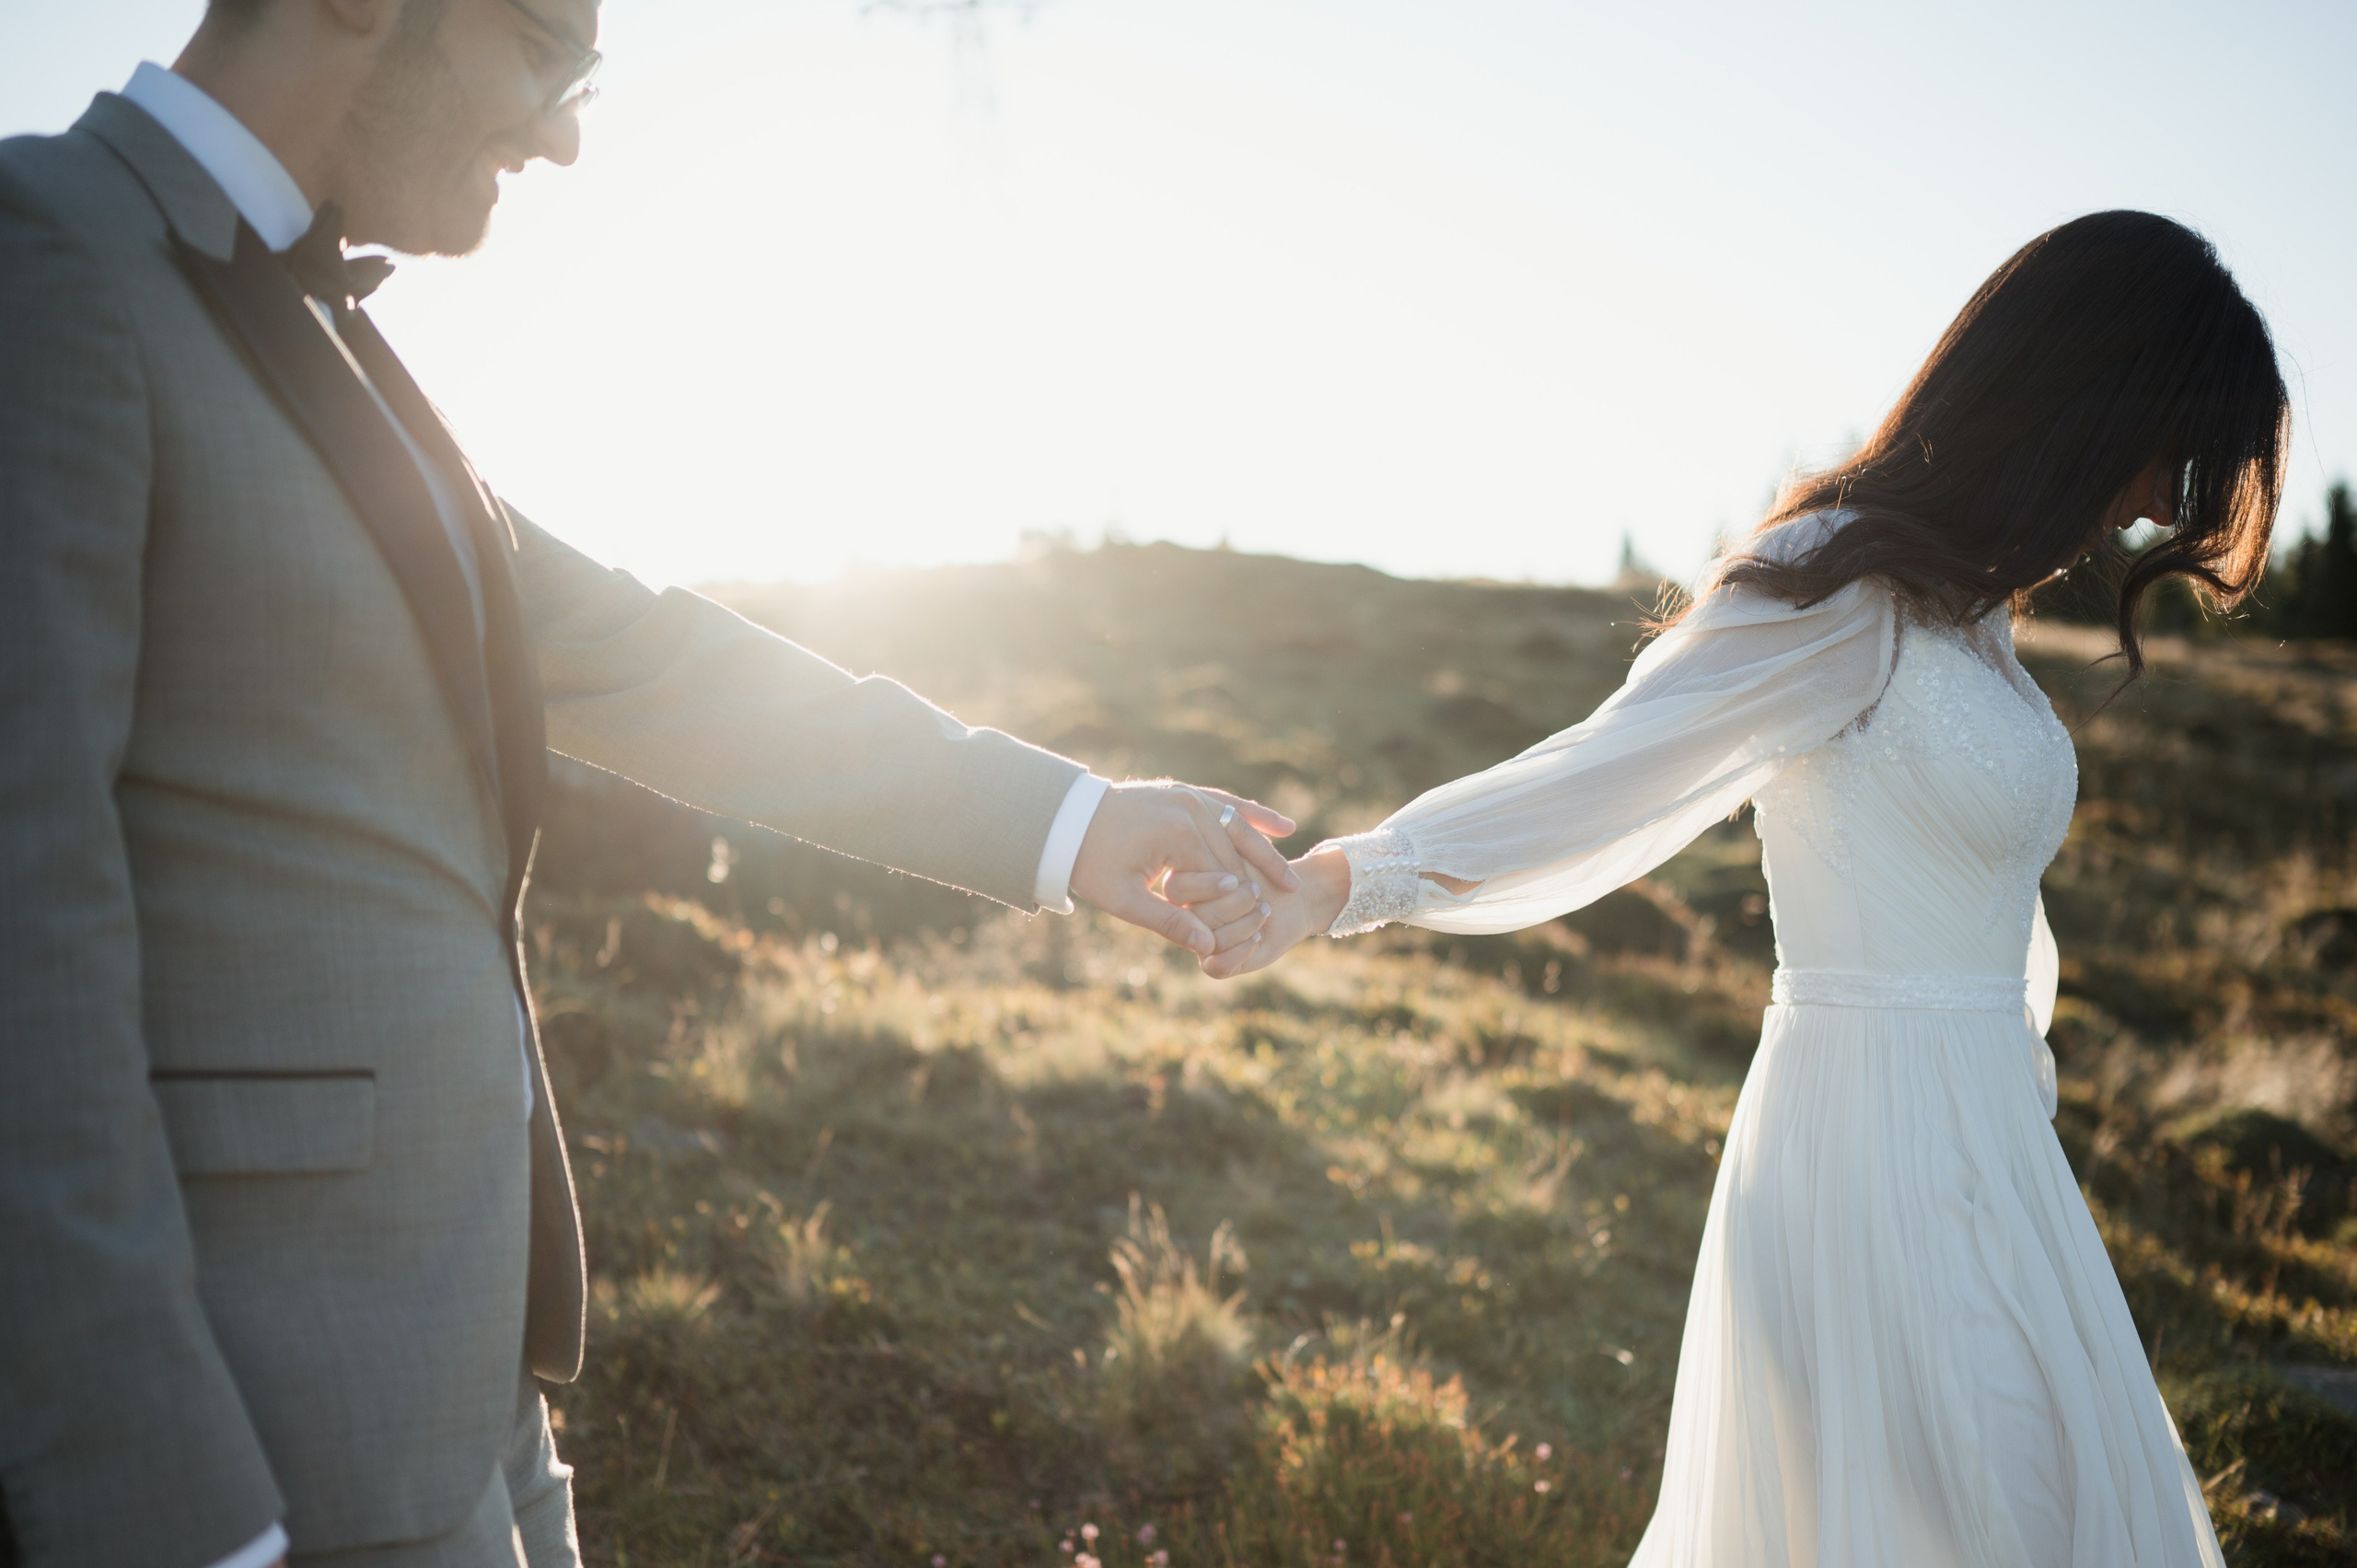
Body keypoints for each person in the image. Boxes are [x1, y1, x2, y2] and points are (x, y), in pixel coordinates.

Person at [0, 2, 1296, 1565]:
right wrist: (168, 1516)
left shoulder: (332, 339)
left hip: (467, 1370)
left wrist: (1073, 821)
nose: (560, 130)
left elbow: (652, 661)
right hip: (260, 1421)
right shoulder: (47, 263)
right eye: (551, 49)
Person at [1216, 210, 2286, 1565]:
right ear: (2087, 395)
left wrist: (2015, 1084)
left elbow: (1985, 897)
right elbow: (1601, 774)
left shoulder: (1973, 617)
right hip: (1868, 1159)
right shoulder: (1836, 584)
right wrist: (1345, 880)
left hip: (1996, 1157)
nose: (2153, 508)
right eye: (2168, 453)